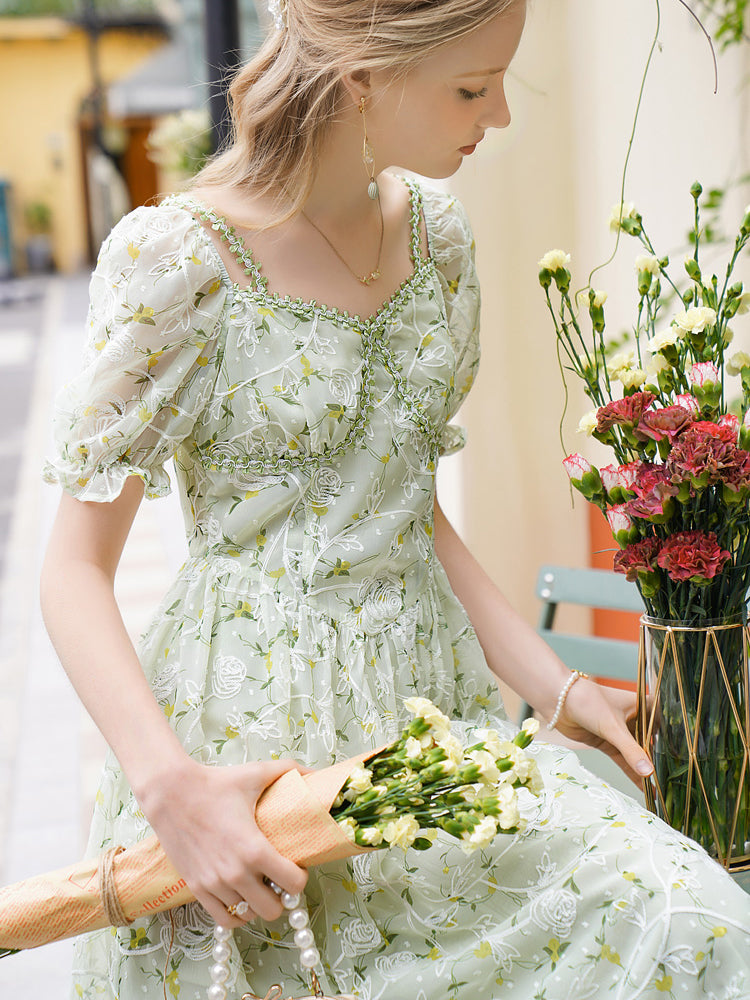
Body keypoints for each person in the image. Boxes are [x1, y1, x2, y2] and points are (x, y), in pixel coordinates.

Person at [41, 0, 749, 997]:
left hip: (432, 729)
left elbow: (409, 510)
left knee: (696, 920)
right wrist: (173, 794)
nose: (497, 114)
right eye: (472, 85)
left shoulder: (438, 241)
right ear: (362, 74)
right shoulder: (181, 262)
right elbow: (71, 571)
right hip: (247, 758)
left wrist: (556, 687)